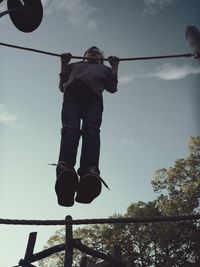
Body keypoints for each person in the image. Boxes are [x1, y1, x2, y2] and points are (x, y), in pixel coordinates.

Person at [55, 46, 119, 207]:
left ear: (100, 59)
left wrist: (114, 67)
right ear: (84, 56)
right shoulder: (74, 66)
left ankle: (89, 172)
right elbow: (62, 85)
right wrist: (63, 63)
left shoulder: (103, 69)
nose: (93, 53)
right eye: (90, 51)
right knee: (71, 129)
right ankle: (65, 169)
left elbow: (112, 88)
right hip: (72, 95)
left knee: (91, 131)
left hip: (93, 98)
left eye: (97, 53)